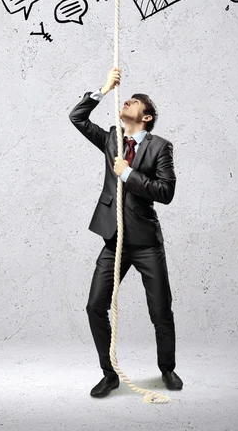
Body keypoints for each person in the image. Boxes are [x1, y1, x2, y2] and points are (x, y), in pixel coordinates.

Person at [69, 67, 183, 398]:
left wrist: (128, 173)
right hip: (114, 238)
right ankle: (109, 373)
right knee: (94, 306)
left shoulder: (161, 146)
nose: (128, 100)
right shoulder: (111, 139)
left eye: (135, 102)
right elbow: (77, 118)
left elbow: (166, 192)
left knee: (160, 309)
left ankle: (167, 369)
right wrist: (103, 90)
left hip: (146, 242)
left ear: (145, 118)